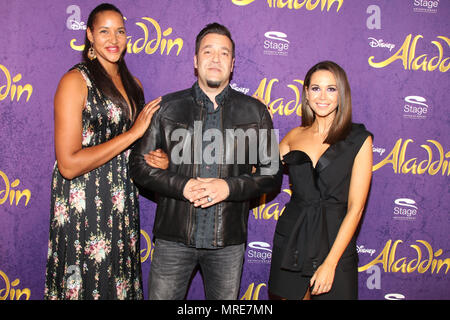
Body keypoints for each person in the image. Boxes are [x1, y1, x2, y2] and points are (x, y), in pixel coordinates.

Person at [129, 22, 282, 300]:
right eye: (207, 51)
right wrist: (182, 185)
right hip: (172, 239)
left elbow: (272, 174)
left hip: (227, 243)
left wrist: (228, 188)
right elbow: (138, 166)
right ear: (195, 60)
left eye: (223, 53)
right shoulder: (165, 108)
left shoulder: (256, 113)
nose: (215, 58)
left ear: (232, 63)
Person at [44, 3, 167, 300]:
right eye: (104, 31)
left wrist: (155, 158)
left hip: (121, 201)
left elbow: (134, 147)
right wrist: (133, 133)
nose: (113, 39)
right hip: (83, 203)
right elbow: (69, 164)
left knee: (117, 283)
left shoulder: (133, 85)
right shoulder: (74, 81)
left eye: (120, 31)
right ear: (89, 35)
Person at [268, 61, 373, 300]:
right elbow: (259, 168)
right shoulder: (295, 135)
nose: (322, 96)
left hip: (335, 240)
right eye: (316, 88)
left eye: (331, 89)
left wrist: (330, 263)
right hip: (293, 236)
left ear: (342, 93)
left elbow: (356, 209)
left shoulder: (359, 140)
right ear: (306, 93)